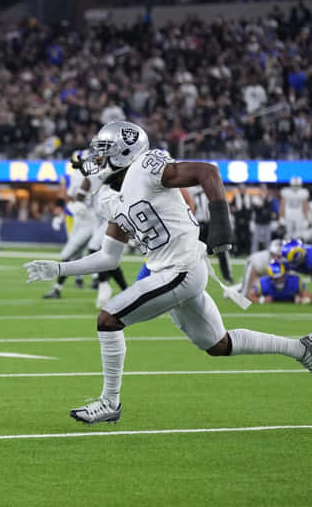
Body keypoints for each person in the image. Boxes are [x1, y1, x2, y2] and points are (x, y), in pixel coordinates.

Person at [24, 121, 312, 424]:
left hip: (180, 269)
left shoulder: (146, 167)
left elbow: (208, 172)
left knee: (108, 319)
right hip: (171, 270)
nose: (98, 159)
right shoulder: (113, 197)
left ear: (124, 152)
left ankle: (110, 402)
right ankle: (301, 348)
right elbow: (108, 257)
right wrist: (58, 268)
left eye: (104, 151)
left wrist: (220, 226)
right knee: (218, 345)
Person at [44, 152, 102, 299]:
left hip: (91, 220)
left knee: (70, 254)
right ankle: (95, 280)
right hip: (82, 218)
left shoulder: (97, 175)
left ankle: (98, 281)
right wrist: (63, 214)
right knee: (81, 254)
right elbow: (75, 199)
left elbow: (78, 199)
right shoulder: (80, 176)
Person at [191, 185, 233, 283]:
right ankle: (196, 278)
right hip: (199, 225)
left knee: (221, 250)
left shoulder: (212, 192)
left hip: (212, 223)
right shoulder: (192, 192)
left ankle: (227, 277)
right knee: (195, 253)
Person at [251, 188, 276, 252]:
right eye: (262, 191)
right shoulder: (256, 199)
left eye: (264, 191)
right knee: (255, 240)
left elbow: (269, 210)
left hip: (266, 222)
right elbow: (255, 209)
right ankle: (254, 253)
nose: (263, 192)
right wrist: (260, 205)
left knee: (267, 239)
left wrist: (263, 202)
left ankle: (268, 253)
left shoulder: (269, 199)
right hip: (258, 222)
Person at [231, 185, 253, 255]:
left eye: (243, 189)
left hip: (246, 220)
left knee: (247, 237)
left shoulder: (248, 197)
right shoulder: (236, 197)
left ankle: (247, 251)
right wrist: (233, 209)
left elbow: (251, 209)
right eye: (241, 189)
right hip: (238, 219)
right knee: (238, 237)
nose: (242, 190)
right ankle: (238, 252)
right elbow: (231, 206)